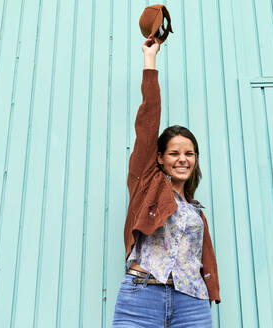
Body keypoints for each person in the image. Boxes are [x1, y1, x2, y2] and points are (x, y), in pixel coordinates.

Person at [111, 36, 221, 328]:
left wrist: (211, 293)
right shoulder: (145, 185)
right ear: (159, 158)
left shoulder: (194, 209)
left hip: (192, 301)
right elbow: (148, 122)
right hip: (142, 296)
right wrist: (150, 60)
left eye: (189, 153)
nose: (183, 159)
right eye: (174, 153)